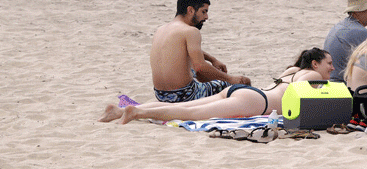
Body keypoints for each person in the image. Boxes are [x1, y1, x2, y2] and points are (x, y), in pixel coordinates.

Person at [99, 48, 334, 124]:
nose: (332, 68)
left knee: (190, 106)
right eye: (329, 64)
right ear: (315, 63)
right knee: (190, 113)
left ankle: (118, 111)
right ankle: (137, 112)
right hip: (256, 102)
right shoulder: (312, 76)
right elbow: (299, 91)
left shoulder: (292, 70)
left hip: (249, 94)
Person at [148, 0, 250, 103]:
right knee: (243, 83)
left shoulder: (161, 29)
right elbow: (200, 67)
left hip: (161, 95)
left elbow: (184, 49)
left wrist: (212, 59)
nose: (206, 17)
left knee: (195, 68)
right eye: (204, 11)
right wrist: (230, 79)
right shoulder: (191, 31)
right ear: (190, 10)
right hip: (185, 95)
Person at [324, 0, 367, 82]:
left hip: (332, 83)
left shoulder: (341, 25)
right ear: (357, 11)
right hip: (345, 87)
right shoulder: (360, 32)